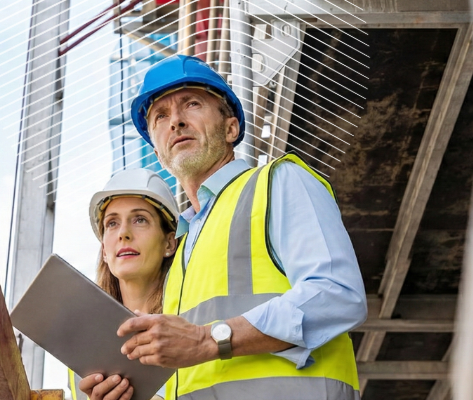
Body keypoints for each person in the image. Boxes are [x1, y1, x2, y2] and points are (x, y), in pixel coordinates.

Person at [80, 55, 367, 399]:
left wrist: (209, 339)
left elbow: (338, 295)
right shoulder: (182, 253)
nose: (176, 122)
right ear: (158, 152)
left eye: (192, 104)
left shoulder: (276, 182)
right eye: (161, 116)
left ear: (231, 128)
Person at [69, 169, 179, 400]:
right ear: (104, 252)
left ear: (169, 243)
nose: (124, 233)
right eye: (112, 223)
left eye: (140, 219)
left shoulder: (192, 326)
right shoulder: (82, 345)